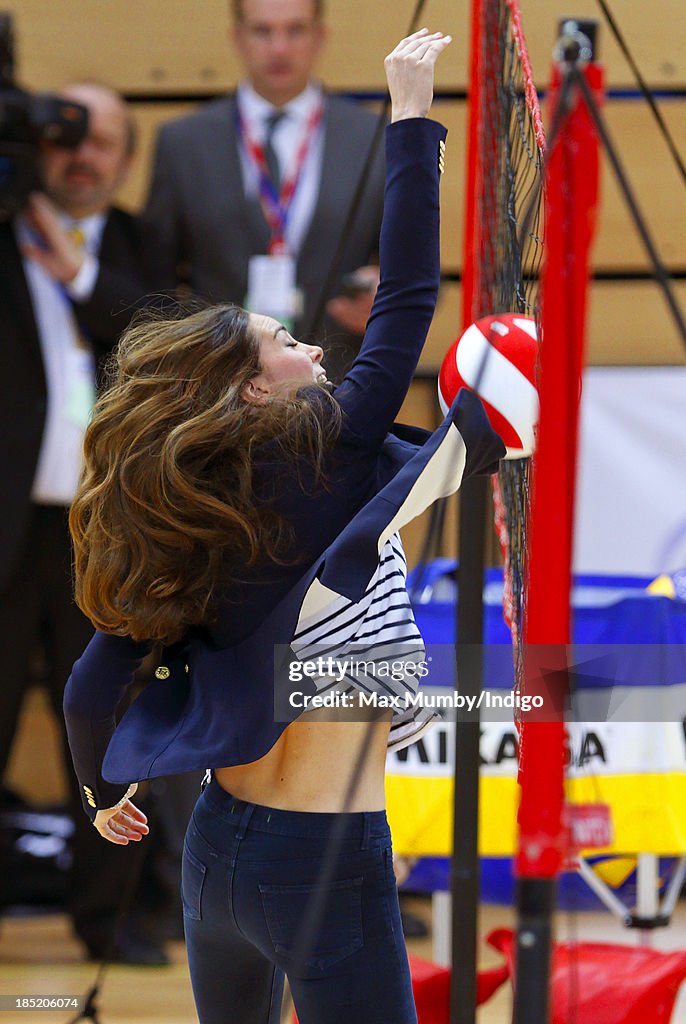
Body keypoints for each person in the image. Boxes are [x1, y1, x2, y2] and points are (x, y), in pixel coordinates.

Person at [64, 32, 505, 1023]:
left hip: (216, 854)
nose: (306, 338)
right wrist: (408, 116)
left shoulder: (188, 519)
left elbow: (93, 682)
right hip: (325, 865)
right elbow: (402, 295)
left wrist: (101, 796)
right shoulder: (331, 453)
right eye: (282, 341)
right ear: (252, 390)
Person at [0, 82, 170, 964]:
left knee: (107, 718)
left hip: (104, 529)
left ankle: (111, 917)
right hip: (8, 523)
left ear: (126, 159)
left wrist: (79, 279)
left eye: (101, 141)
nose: (82, 155)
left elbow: (160, 339)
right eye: (64, 138)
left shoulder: (144, 245)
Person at [143, 0, 386, 381]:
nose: (279, 48)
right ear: (237, 38)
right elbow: (154, 279)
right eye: (262, 31)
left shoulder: (373, 139)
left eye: (295, 30)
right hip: (219, 389)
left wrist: (383, 294)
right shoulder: (183, 142)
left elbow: (417, 268)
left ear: (319, 37)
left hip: (340, 382)